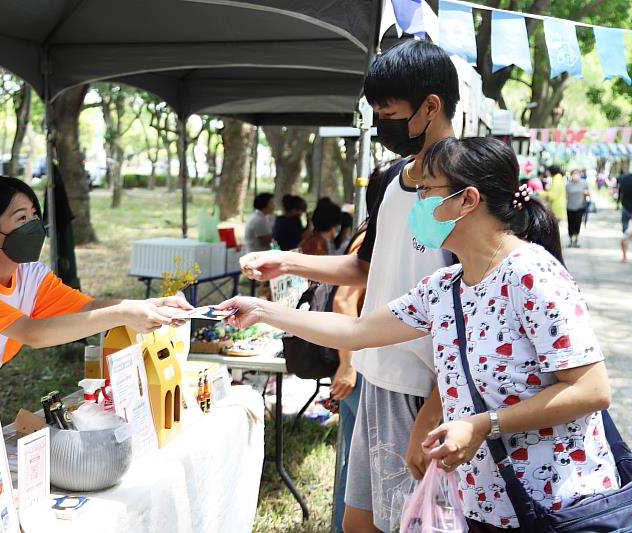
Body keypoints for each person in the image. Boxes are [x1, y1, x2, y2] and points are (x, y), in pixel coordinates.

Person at [222, 137, 617, 531]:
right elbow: (357, 331)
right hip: (484, 506)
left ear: (468, 200)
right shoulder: (445, 286)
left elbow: (591, 390)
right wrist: (263, 311)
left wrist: (482, 425)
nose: (418, 201)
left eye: (427, 189)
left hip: (555, 505)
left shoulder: (532, 276)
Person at [238, 39, 460, 533]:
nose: (382, 124)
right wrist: (289, 262)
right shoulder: (389, 180)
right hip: (375, 369)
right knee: (358, 521)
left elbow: (473, 304)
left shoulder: (463, 183)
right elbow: (366, 268)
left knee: (411, 522)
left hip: (424, 386)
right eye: (376, 112)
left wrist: (439, 403)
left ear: (431, 106)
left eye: (390, 111)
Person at [0, 174, 191, 375]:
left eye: (34, 215)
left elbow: (87, 307)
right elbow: (33, 333)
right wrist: (124, 314)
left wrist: (149, 306)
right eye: (21, 218)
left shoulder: (30, 274)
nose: (33, 226)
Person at [565, 169, 589, 248]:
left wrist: (586, 193)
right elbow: (565, 196)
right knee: (570, 224)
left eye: (577, 174)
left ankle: (575, 240)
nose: (575, 175)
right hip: (570, 207)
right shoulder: (568, 185)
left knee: (577, 224)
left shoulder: (583, 183)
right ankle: (571, 240)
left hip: (579, 207)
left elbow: (587, 193)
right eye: (574, 174)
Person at [617, 172, 632, 262]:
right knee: (626, 235)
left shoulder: (624, 178)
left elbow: (620, 192)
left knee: (625, 234)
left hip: (626, 208)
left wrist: (618, 202)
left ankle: (624, 256)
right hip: (626, 209)